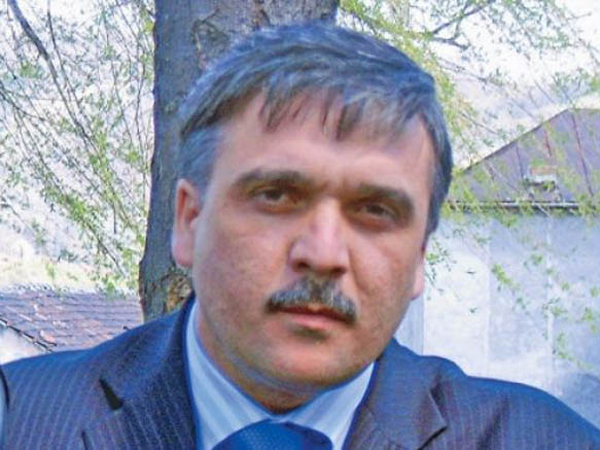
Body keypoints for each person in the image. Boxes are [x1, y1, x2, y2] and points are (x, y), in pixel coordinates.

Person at [0, 22, 599, 450]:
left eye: (375, 210)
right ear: (188, 221)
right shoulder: (20, 422)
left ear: (420, 257)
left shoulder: (543, 439)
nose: (323, 254)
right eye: (277, 197)